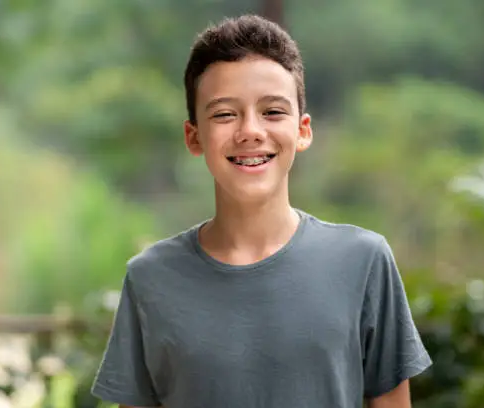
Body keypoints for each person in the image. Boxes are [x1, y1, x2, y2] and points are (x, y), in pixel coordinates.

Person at [91, 14, 432, 408]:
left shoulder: (364, 261)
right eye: (223, 114)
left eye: (272, 111)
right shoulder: (150, 277)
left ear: (302, 130)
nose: (250, 131)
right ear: (194, 136)